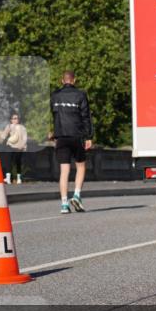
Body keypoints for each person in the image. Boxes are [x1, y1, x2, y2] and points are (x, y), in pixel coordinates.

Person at [51, 71, 93, 214]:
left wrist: (54, 132)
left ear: (62, 80)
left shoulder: (55, 95)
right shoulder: (80, 95)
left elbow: (52, 114)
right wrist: (89, 136)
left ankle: (64, 204)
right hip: (77, 135)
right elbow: (85, 116)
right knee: (81, 166)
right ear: (74, 80)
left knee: (64, 171)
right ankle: (76, 195)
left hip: (61, 136)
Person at [0, 112, 28, 185]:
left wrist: (22, 146)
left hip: (19, 147)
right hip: (10, 146)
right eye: (13, 119)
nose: (15, 120)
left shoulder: (22, 128)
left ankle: (19, 179)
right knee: (8, 162)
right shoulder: (9, 126)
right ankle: (8, 178)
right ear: (11, 120)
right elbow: (3, 135)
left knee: (18, 163)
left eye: (16, 118)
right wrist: (3, 134)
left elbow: (25, 138)